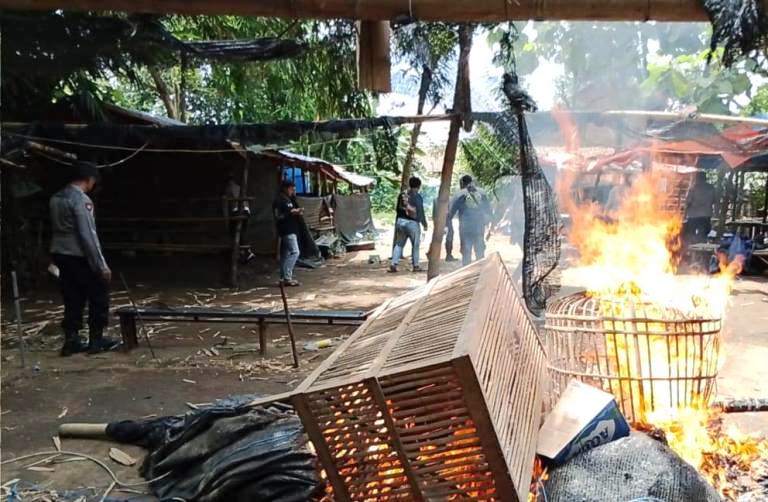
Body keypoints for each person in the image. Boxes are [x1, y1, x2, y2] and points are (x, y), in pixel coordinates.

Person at [49, 162, 119, 356]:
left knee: (72, 297)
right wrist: (101, 265)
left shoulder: (56, 198)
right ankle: (96, 339)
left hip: (60, 254)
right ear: (89, 180)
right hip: (80, 255)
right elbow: (88, 234)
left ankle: (71, 339)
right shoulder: (81, 200)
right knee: (98, 294)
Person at [449, 175, 492, 266]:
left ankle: (467, 270)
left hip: (465, 228)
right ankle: (480, 271)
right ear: (471, 181)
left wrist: (446, 223)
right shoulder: (482, 193)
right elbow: (488, 210)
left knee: (466, 252)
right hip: (479, 227)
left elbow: (451, 212)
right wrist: (489, 224)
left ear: (462, 183)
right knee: (480, 251)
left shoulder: (459, 194)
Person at [390, 176, 428, 272]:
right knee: (415, 245)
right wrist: (424, 223)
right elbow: (420, 211)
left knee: (399, 244)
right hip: (412, 223)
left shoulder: (402, 195)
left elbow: (397, 209)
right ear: (419, 186)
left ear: (410, 184)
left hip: (400, 222)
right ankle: (416, 266)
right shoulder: (417, 196)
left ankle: (393, 264)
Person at [273, 179, 303, 286]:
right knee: (295, 252)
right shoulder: (279, 200)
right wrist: (290, 213)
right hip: (286, 230)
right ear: (285, 188)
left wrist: (296, 212)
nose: (292, 191)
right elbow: (278, 216)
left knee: (285, 255)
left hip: (291, 229)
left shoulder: (289, 199)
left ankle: (283, 277)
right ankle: (287, 277)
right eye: (291, 189)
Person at [224, 171, 255, 264]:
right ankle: (244, 252)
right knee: (241, 231)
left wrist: (227, 219)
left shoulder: (228, 188)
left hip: (237, 211)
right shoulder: (239, 187)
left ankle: (244, 251)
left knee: (235, 231)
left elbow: (226, 205)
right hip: (246, 211)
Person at [684, 170, 716, 243]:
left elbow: (688, 201)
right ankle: (701, 246)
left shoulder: (693, 188)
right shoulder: (711, 188)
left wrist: (685, 213)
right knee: (703, 234)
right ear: (705, 178)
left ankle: (692, 246)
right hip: (706, 215)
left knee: (691, 234)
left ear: (697, 178)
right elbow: (714, 200)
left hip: (693, 215)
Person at [431, 193, 457, 262]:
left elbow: (434, 214)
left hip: (438, 221)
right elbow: (449, 212)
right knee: (449, 238)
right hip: (446, 221)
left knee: (437, 238)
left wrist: (435, 223)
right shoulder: (449, 200)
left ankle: (432, 254)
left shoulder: (435, 200)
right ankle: (448, 255)